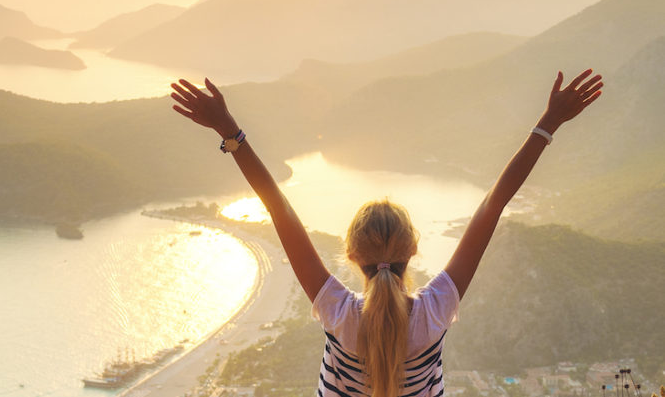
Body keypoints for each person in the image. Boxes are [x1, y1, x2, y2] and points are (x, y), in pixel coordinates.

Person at [170, 69, 603, 397]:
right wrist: (548, 124)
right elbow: (493, 205)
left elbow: (278, 210)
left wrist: (230, 132)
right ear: (413, 250)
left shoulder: (338, 314)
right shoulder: (434, 313)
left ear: (352, 254)